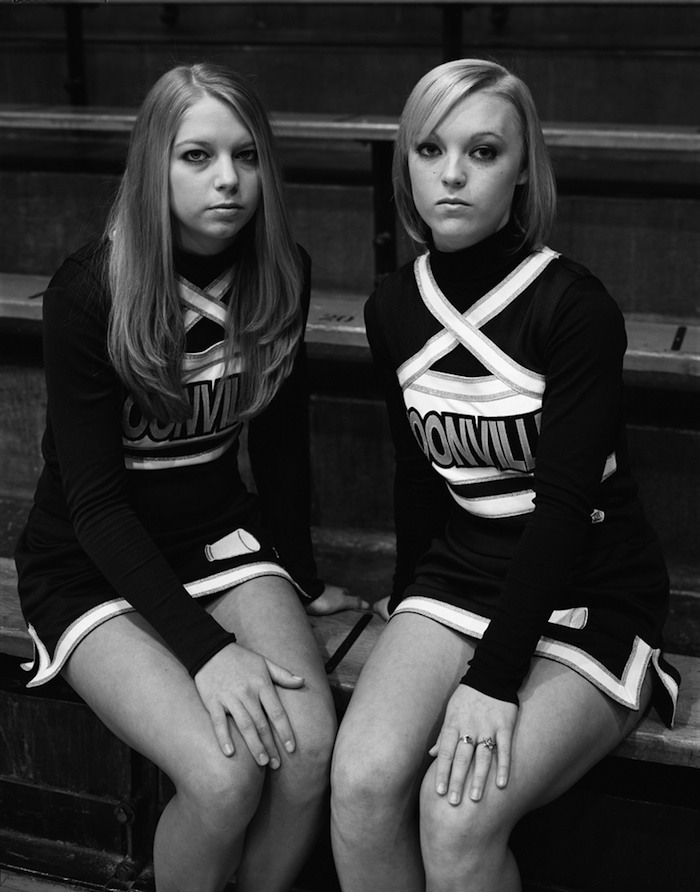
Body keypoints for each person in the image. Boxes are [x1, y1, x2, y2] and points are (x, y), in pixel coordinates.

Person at [330, 59, 680, 892]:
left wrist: (491, 679)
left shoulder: (573, 306)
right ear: (404, 162)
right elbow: (416, 473)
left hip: (591, 584)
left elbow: (564, 506)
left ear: (524, 168)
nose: (451, 173)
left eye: (483, 151)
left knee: (456, 819)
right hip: (465, 572)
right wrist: (406, 588)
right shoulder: (392, 306)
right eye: (429, 148)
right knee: (361, 788)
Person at [15, 62, 362, 892]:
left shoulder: (281, 271)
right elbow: (95, 505)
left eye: (246, 156)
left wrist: (300, 575)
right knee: (222, 775)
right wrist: (209, 653)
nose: (229, 180)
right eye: (197, 156)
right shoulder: (90, 290)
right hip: (90, 561)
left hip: (218, 538)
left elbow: (280, 446)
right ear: (153, 167)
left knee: (309, 750)